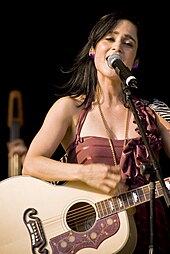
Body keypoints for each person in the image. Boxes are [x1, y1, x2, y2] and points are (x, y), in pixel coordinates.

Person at [22, 11, 170, 253]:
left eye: (128, 43)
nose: (118, 47)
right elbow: (31, 164)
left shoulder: (154, 112)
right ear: (93, 49)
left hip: (151, 234)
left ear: (135, 61)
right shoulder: (70, 107)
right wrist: (84, 172)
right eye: (110, 39)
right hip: (93, 241)